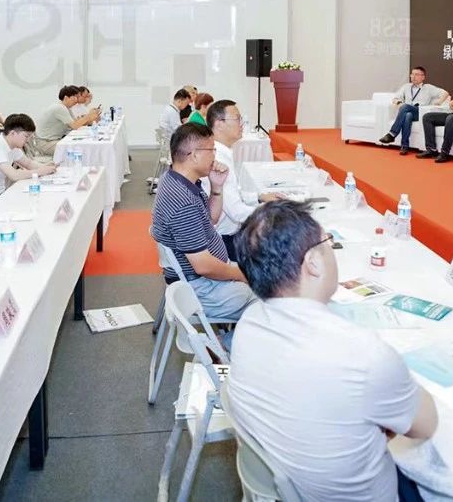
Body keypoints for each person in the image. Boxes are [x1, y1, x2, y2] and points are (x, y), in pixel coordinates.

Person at [230, 200, 437, 501]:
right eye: (328, 242)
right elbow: (426, 425)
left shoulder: (249, 322)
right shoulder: (363, 355)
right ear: (313, 262)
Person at [149, 123, 255, 322]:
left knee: (263, 277)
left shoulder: (175, 178)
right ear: (195, 155)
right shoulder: (182, 201)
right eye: (211, 150)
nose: (215, 156)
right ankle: (233, 340)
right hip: (202, 288)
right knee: (268, 297)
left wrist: (217, 187)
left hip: (205, 278)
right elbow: (203, 266)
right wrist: (240, 275)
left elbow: (211, 219)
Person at [203, 100, 282, 257]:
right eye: (237, 119)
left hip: (228, 234)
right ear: (219, 124)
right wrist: (271, 211)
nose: (242, 124)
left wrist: (259, 197)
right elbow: (237, 212)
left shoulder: (220, 152)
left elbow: (234, 194)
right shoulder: (217, 159)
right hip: (224, 242)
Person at [378, 66, 449, 155]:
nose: (413, 76)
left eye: (417, 74)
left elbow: (445, 93)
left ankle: (392, 134)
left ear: (423, 77)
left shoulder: (428, 88)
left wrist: (439, 102)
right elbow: (396, 98)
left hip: (420, 112)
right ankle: (404, 146)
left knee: (405, 108)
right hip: (408, 111)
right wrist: (399, 103)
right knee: (408, 115)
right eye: (412, 74)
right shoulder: (406, 87)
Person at [33, 86, 100, 155]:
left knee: (79, 145)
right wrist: (89, 116)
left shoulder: (67, 108)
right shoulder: (59, 108)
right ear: (66, 98)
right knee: (76, 150)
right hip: (46, 143)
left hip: (54, 140)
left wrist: (91, 118)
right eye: (75, 97)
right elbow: (75, 126)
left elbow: (76, 123)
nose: (76, 100)